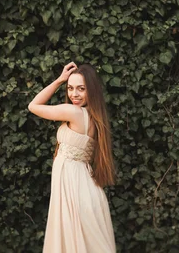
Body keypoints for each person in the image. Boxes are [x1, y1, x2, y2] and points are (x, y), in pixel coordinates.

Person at [28, 62, 116, 253]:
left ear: (91, 90)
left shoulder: (74, 112)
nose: (74, 94)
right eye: (70, 88)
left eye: (81, 89)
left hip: (74, 187)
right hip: (81, 184)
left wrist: (59, 80)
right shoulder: (93, 116)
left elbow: (33, 105)